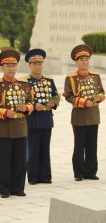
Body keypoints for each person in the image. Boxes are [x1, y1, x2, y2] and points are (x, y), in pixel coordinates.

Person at [64, 44, 105, 181]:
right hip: (79, 116)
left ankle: (91, 172)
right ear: (76, 62)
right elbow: (68, 96)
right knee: (79, 145)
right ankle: (79, 173)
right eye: (81, 60)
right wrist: (83, 102)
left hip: (93, 115)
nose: (84, 62)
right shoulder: (71, 78)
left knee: (92, 146)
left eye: (86, 59)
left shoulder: (95, 76)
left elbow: (102, 92)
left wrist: (99, 98)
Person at [0, 49, 34, 198]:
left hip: (20, 127)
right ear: (2, 67)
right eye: (8, 66)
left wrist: (26, 108)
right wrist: (4, 112)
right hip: (3, 128)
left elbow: (31, 102)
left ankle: (18, 188)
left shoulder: (23, 84)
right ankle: (4, 189)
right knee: (4, 160)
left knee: (20, 160)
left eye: (14, 65)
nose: (12, 68)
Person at [25, 48, 60, 185]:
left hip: (46, 119)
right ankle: (33, 177)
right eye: (35, 64)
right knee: (33, 149)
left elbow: (56, 95)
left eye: (40, 63)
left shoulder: (49, 80)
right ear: (30, 65)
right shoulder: (25, 81)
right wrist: (34, 104)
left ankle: (45, 176)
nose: (38, 66)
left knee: (45, 148)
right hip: (32, 120)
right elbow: (23, 98)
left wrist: (54, 102)